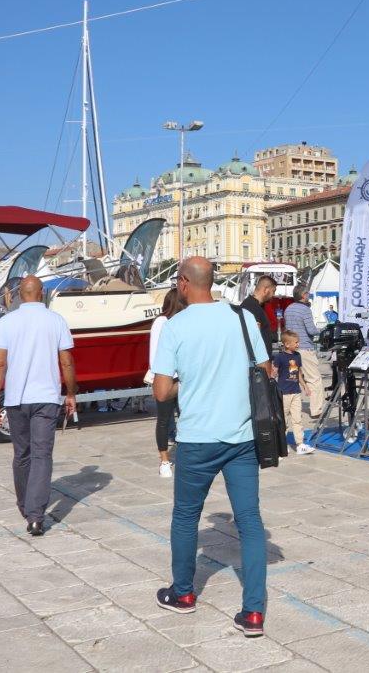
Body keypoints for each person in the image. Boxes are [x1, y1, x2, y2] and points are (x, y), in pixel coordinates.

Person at [152, 257, 274, 637]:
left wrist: (186, 383)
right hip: (241, 438)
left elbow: (160, 391)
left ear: (186, 283)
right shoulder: (242, 318)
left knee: (186, 517)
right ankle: (253, 613)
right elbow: (266, 371)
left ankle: (184, 594)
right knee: (250, 521)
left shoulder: (176, 326)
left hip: (197, 439)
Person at [0, 275, 78, 537]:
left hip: (16, 398)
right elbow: (67, 362)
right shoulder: (56, 320)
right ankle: (36, 516)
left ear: (20, 294)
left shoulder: (7, 322)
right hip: (47, 397)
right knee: (42, 455)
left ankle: (25, 506)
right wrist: (71, 393)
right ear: (41, 293)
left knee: (22, 454)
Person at [150, 287, 186, 478]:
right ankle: (164, 460)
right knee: (164, 419)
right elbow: (155, 352)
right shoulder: (161, 322)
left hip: (182, 377)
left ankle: (186, 455)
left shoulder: (181, 323)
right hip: (166, 377)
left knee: (187, 417)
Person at [283, 285, 326, 429]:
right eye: (307, 294)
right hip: (305, 348)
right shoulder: (305, 309)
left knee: (293, 378)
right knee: (314, 379)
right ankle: (316, 410)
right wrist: (324, 329)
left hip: (290, 348)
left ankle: (290, 408)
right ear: (304, 295)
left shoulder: (288, 309)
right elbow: (311, 330)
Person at [273, 330, 314, 455]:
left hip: (296, 392)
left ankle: (300, 444)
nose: (298, 344)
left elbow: (298, 373)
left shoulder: (297, 356)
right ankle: (280, 446)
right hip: (284, 393)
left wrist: (305, 386)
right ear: (286, 344)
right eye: (295, 342)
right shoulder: (279, 357)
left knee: (297, 419)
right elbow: (274, 372)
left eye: (298, 342)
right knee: (283, 420)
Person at [241, 274, 277, 352]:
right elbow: (252, 337)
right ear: (266, 290)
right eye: (273, 291)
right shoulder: (251, 306)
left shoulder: (257, 306)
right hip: (258, 361)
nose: (273, 295)